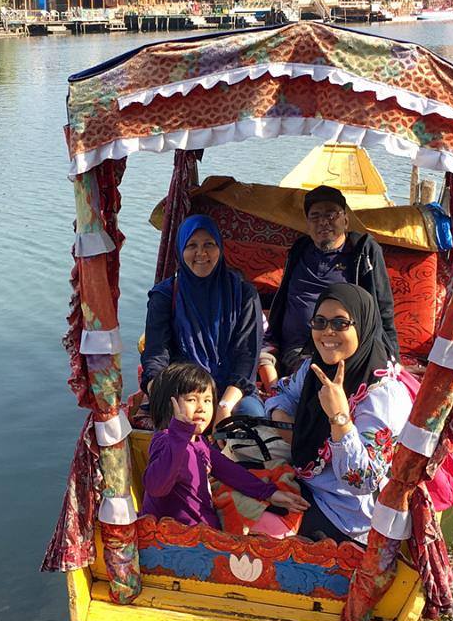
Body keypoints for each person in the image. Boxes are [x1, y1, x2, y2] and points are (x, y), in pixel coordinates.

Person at [264, 282, 412, 544]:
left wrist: (340, 419)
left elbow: (362, 481)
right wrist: (284, 423)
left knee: (253, 520)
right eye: (319, 322)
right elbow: (281, 393)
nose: (327, 332)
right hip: (306, 481)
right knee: (230, 488)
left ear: (363, 326)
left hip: (347, 516)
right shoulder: (315, 368)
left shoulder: (383, 396)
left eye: (341, 323)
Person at [258, 185, 399, 385]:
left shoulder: (362, 251)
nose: (323, 222)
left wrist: (394, 358)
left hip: (345, 347)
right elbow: (283, 297)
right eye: (315, 216)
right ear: (307, 224)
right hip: (299, 349)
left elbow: (383, 307)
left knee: (327, 381)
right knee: (310, 381)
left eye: (331, 214)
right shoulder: (299, 249)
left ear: (346, 220)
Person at [143, 362, 309, 528]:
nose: (202, 408)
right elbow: (156, 487)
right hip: (172, 539)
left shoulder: (198, 442)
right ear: (168, 404)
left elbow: (230, 471)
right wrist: (178, 433)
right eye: (192, 399)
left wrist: (269, 493)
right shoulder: (166, 440)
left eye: (208, 400)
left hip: (202, 530)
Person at [142, 214, 265, 419]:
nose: (201, 253)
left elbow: (247, 356)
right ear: (181, 251)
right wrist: (160, 396)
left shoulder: (244, 294)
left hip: (232, 389)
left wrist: (224, 405)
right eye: (191, 245)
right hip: (185, 385)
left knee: (251, 417)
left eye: (209, 244)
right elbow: (156, 353)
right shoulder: (164, 295)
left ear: (220, 248)